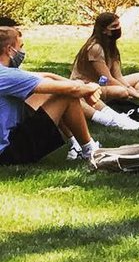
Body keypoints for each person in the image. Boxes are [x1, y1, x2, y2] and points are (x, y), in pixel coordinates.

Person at [0, 25, 103, 168]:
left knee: (49, 92)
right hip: (7, 153)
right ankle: (90, 150)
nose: (22, 51)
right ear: (9, 50)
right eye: (21, 46)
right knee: (67, 96)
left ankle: (76, 144)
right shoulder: (8, 76)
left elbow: (45, 78)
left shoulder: (6, 73)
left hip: (10, 140)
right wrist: (91, 87)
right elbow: (72, 90)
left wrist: (81, 86)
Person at [71, 12, 139, 106]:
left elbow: (118, 77)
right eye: (114, 26)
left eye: (118, 25)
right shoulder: (95, 48)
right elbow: (108, 79)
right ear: (104, 30)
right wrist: (133, 93)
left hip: (103, 83)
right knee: (121, 91)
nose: (118, 28)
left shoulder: (110, 46)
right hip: (88, 86)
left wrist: (130, 89)